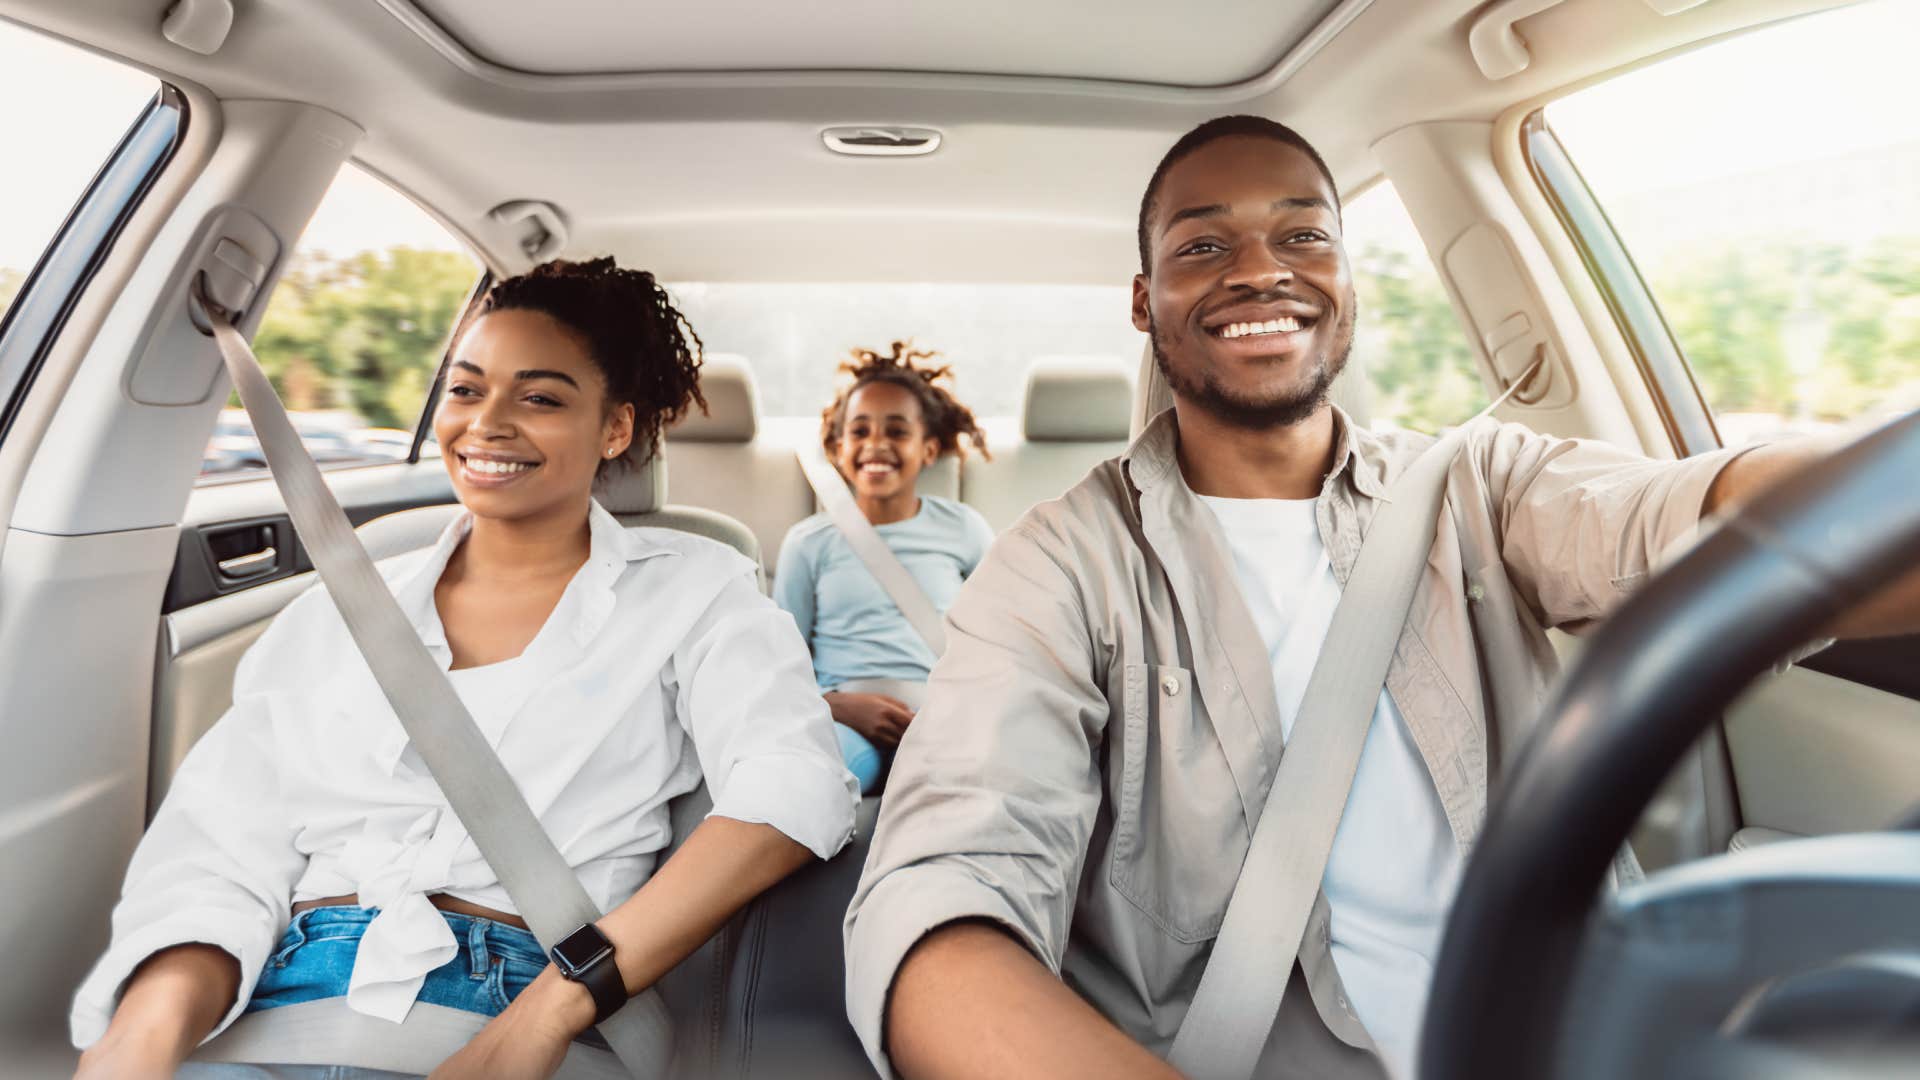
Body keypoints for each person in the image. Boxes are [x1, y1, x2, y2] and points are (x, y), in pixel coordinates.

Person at [842, 115, 1920, 1080]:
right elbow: (945, 899)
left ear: (1350, 276)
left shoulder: (1481, 484)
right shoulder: (1057, 563)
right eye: (1203, 244)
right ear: (1144, 300)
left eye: (1304, 234)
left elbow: (1695, 517)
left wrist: (1868, 494)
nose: (1261, 270)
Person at [72, 258, 858, 1079]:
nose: (488, 423)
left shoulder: (696, 590)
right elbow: (223, 849)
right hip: (277, 1005)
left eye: (542, 398)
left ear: (616, 429)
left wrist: (546, 1013)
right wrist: (145, 1032)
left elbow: (794, 785)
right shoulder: (337, 609)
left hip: (533, 994)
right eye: (465, 389)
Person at [773, 341, 995, 793]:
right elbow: (778, 668)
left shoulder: (965, 530)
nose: (876, 444)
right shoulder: (809, 542)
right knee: (818, 780)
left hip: (943, 717)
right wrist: (835, 707)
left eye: (896, 432)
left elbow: (999, 645)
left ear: (928, 449)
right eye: (859, 432)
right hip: (844, 718)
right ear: (837, 448)